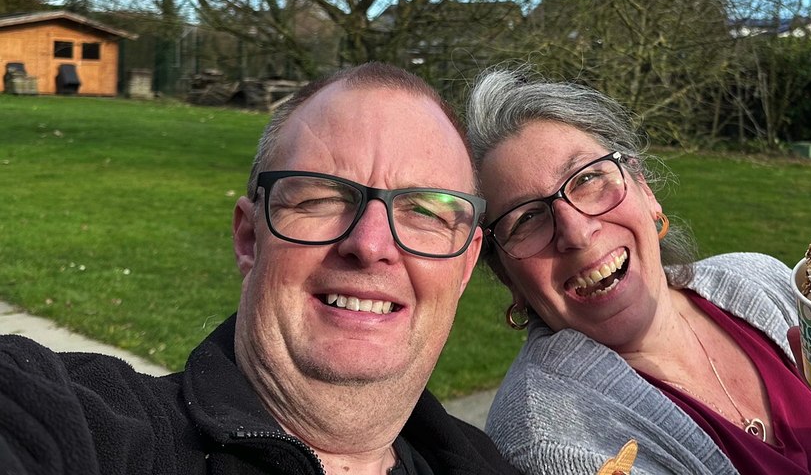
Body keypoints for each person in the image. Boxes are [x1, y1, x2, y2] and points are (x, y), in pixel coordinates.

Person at [466, 67, 811, 475]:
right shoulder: (548, 439)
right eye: (526, 219)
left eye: (588, 178)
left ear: (644, 189)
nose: (576, 230)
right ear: (509, 279)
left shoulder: (759, 281)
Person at [0, 62, 520, 475]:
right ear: (249, 238)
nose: (370, 243)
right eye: (320, 198)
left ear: (467, 261)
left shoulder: (489, 461)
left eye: (425, 211)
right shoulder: (104, 430)